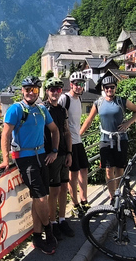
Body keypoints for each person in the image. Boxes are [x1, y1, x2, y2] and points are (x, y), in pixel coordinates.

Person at [0, 75, 60, 255]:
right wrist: (5, 159)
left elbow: (55, 130)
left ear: (38, 91)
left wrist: (54, 151)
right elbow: (6, 135)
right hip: (25, 158)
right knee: (41, 198)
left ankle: (37, 237)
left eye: (34, 89)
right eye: (27, 89)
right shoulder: (16, 109)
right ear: (22, 90)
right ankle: (49, 230)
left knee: (39, 198)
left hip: (41, 155)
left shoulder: (41, 110)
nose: (30, 92)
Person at [80, 76, 136, 202]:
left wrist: (128, 123)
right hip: (105, 139)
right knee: (108, 170)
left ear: (115, 88)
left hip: (121, 139)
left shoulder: (121, 101)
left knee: (120, 169)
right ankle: (112, 195)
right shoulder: (98, 103)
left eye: (112, 87)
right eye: (107, 88)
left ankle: (119, 193)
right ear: (103, 89)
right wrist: (79, 134)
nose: (110, 90)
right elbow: (89, 120)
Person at [42, 77, 75, 240]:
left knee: (64, 188)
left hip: (63, 154)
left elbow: (67, 132)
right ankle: (52, 222)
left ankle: (62, 219)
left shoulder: (62, 110)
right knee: (53, 191)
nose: (55, 92)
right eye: (52, 90)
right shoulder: (43, 109)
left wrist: (69, 153)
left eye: (58, 90)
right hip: (50, 155)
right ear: (47, 91)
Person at [58, 72, 90, 218]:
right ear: (71, 84)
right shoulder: (65, 99)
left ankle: (84, 201)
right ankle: (75, 204)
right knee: (73, 174)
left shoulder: (79, 99)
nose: (79, 86)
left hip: (79, 141)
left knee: (84, 170)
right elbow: (58, 118)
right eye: (76, 84)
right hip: (69, 143)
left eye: (82, 84)